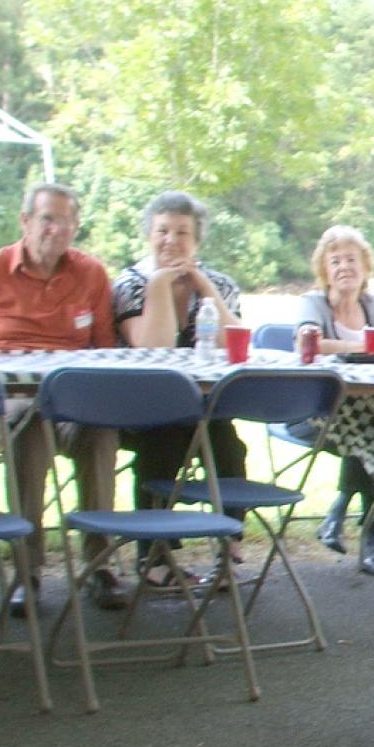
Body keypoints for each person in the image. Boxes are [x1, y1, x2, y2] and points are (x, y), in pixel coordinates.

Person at [0, 183, 125, 613]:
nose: (57, 229)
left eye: (67, 221)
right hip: (11, 403)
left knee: (101, 431)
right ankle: (27, 571)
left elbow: (105, 349)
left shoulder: (90, 273)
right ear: (26, 221)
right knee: (31, 430)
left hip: (71, 401)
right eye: (47, 219)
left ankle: (99, 566)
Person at [111, 191, 248, 584]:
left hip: (205, 407)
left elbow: (235, 343)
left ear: (197, 239)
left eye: (182, 232)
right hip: (141, 408)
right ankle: (154, 556)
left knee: (228, 446)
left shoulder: (219, 284)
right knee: (163, 442)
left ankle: (228, 546)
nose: (171, 240)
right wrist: (160, 285)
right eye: (162, 231)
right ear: (148, 235)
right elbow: (152, 349)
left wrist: (203, 286)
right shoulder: (130, 283)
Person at [295, 224, 374, 577]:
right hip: (313, 413)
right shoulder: (313, 303)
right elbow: (307, 344)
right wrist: (366, 347)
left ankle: (339, 510)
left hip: (368, 416)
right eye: (336, 260)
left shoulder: (372, 306)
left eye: (351, 259)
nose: (344, 266)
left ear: (366, 267)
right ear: (324, 270)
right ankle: (373, 536)